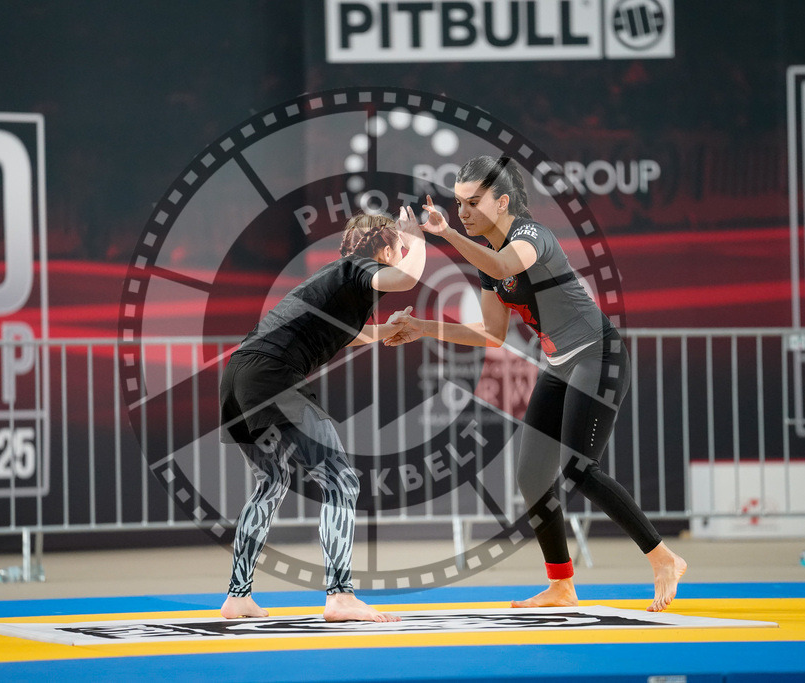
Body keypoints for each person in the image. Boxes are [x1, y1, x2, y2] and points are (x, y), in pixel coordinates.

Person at [384, 156, 686, 612]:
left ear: (503, 202)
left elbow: (507, 264)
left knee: (581, 469)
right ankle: (562, 585)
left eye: (473, 202)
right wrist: (424, 327)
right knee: (530, 476)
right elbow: (492, 333)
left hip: (598, 355)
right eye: (458, 203)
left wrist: (446, 234)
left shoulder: (530, 235)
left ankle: (663, 558)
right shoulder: (485, 260)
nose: (463, 211)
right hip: (560, 365)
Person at [219, 207, 425, 622]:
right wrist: (417, 235)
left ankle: (238, 596)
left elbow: (349, 334)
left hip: (239, 374)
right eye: (397, 246)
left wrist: (389, 330)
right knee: (342, 483)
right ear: (384, 245)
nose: (401, 250)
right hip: (273, 375)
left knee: (272, 481)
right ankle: (340, 595)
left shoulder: (338, 280)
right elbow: (406, 278)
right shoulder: (359, 269)